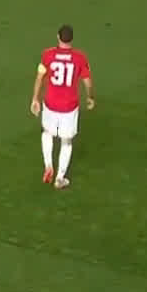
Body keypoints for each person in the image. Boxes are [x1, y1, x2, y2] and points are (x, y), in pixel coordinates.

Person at [31, 24, 94, 189]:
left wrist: (35, 99)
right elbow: (87, 81)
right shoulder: (80, 57)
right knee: (66, 141)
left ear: (58, 37)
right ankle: (60, 178)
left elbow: (39, 77)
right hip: (69, 106)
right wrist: (90, 97)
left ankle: (48, 165)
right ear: (71, 39)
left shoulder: (48, 54)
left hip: (51, 103)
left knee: (47, 133)